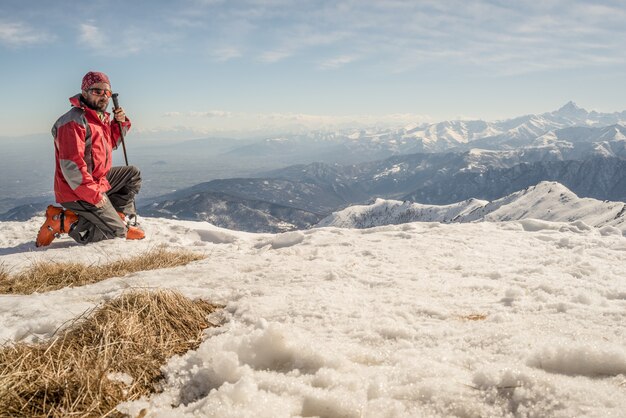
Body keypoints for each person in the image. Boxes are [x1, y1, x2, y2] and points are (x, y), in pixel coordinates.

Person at [36, 71, 145, 246]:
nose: (103, 96)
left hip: (97, 180)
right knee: (117, 234)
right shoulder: (73, 122)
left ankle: (117, 216)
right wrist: (94, 194)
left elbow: (110, 145)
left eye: (106, 93)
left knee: (131, 174)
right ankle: (64, 221)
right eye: (97, 91)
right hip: (76, 190)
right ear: (85, 92)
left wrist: (120, 123)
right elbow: (72, 168)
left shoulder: (97, 119)